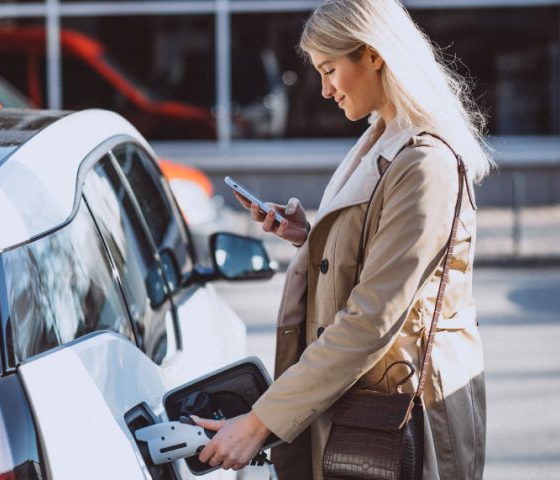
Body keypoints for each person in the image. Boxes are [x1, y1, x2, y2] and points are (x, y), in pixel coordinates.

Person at [192, 0, 491, 478]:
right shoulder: (384, 137)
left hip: (401, 416)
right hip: (365, 401)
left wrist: (261, 421)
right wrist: (309, 239)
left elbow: (374, 317)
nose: (326, 90)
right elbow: (377, 260)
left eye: (330, 70)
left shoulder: (424, 162)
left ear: (374, 55)